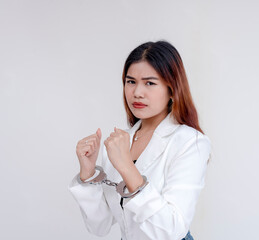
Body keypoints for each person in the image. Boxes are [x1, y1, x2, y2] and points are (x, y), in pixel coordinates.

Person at [69, 40, 211, 240]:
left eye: (149, 83)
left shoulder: (190, 142)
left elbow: (172, 231)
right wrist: (88, 174)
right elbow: (99, 227)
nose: (137, 93)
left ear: (172, 89)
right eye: (131, 81)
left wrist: (127, 167)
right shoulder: (119, 142)